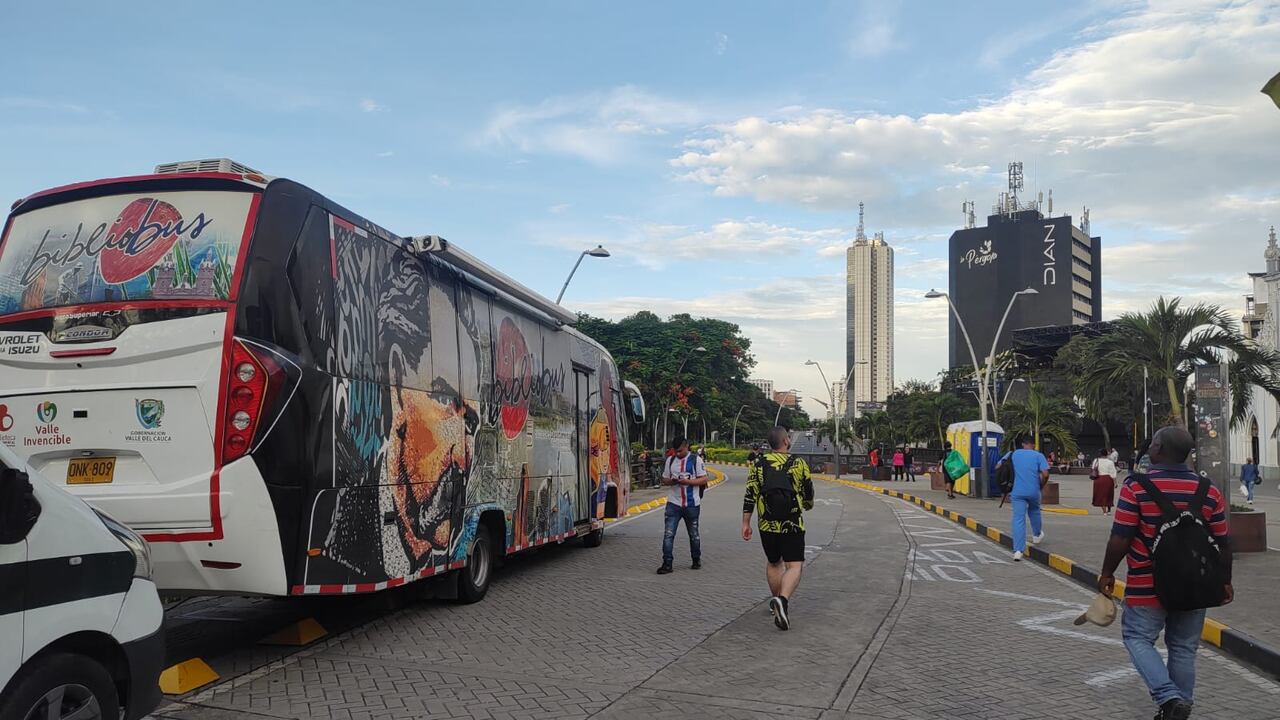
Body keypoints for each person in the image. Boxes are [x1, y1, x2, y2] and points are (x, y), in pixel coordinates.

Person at [1098, 426, 1233, 720]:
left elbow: (1120, 537)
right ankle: (1180, 707)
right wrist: (1225, 581)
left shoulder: (1136, 487)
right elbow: (1222, 541)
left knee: (1137, 637)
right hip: (1196, 585)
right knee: (1184, 648)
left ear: (1157, 448)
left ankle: (1169, 698)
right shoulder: (1209, 490)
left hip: (1148, 585)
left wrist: (1107, 572)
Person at [742, 426, 814, 631]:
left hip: (766, 524)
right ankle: (783, 600)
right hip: (792, 523)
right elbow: (808, 493)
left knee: (774, 563)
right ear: (786, 442)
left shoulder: (758, 464)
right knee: (794, 566)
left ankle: (776, 605)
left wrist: (746, 522)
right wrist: (807, 505)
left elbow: (750, 495)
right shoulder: (798, 463)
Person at [656, 437, 708, 574]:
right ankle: (667, 563)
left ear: (687, 447)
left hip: (692, 504)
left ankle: (696, 559)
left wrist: (688, 482)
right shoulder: (670, 460)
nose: (678, 454)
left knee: (694, 534)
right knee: (668, 534)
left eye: (680, 451)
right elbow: (665, 478)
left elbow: (704, 479)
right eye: (675, 451)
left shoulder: (696, 460)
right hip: (674, 503)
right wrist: (672, 481)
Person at [1008, 435, 1049, 561]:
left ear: (1022, 444)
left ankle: (1018, 551)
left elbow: (999, 466)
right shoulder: (1038, 455)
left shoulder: (1014, 454)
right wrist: (1041, 484)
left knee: (1018, 519)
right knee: (1034, 511)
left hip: (1017, 491)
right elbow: (1045, 473)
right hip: (1033, 490)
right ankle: (1037, 535)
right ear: (1033, 444)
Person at [1091, 447, 1118, 514]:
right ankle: (1109, 510)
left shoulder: (1096, 460)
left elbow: (1093, 468)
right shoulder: (1110, 462)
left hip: (1098, 479)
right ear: (1107, 454)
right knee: (1109, 494)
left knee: (1101, 495)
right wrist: (1115, 482)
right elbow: (1113, 473)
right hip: (1108, 479)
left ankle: (1104, 511)